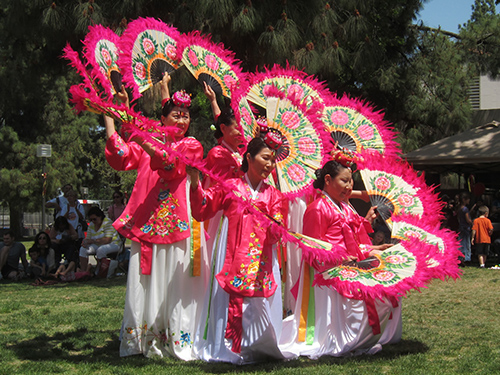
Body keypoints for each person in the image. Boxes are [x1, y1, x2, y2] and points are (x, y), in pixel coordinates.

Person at [104, 76, 207, 360]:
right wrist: (111, 116)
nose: (183, 120)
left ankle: (174, 336)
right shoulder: (148, 139)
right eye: (176, 114)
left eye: (186, 116)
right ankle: (141, 339)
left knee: (175, 282)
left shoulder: (192, 145)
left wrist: (141, 137)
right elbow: (121, 155)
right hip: (148, 221)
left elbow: (170, 164)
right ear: (163, 118)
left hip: (177, 221)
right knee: (144, 282)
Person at [280, 157, 397, 359]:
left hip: (348, 265)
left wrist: (374, 249)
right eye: (344, 181)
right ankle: (349, 338)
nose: (349, 186)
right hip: (326, 274)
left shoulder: (346, 207)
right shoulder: (317, 208)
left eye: (350, 181)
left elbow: (355, 240)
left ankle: (369, 336)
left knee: (389, 285)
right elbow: (313, 251)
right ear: (328, 180)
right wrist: (341, 259)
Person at [188, 135, 290, 364]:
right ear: (249, 158)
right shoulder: (230, 185)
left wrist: (275, 222)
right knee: (229, 299)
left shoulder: (274, 195)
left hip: (262, 258)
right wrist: (195, 180)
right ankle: (226, 346)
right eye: (265, 158)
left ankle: (260, 345)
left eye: (273, 161)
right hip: (232, 253)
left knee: (260, 300)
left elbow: (277, 234)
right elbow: (202, 209)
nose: (269, 165)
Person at [79, 206, 121, 272]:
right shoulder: (91, 225)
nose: (93, 221)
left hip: (113, 244)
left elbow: (108, 240)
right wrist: (85, 242)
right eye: (91, 219)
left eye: (94, 219)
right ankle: (83, 271)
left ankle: (99, 271)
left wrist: (93, 241)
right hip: (98, 244)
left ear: (100, 216)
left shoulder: (107, 222)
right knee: (83, 249)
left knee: (101, 250)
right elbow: (88, 238)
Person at [457, 192, 473, 265]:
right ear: (464, 199)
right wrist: (472, 223)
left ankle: (460, 258)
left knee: (460, 243)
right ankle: (466, 258)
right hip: (466, 228)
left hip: (460, 227)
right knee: (466, 243)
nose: (469, 201)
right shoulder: (465, 209)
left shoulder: (459, 208)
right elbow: (468, 220)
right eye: (468, 199)